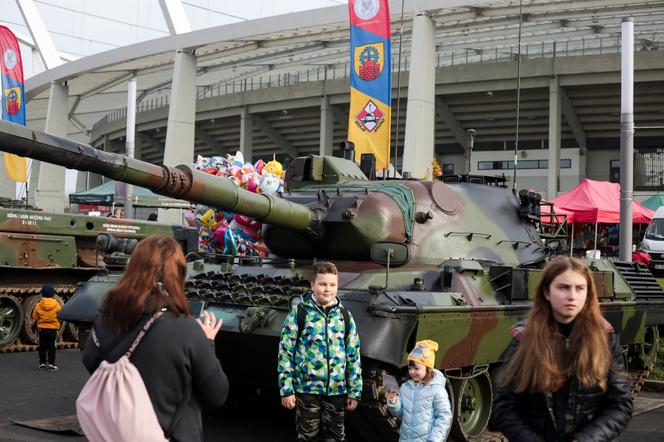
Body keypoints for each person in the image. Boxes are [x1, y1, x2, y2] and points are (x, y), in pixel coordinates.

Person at [82, 235, 228, 442]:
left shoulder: (105, 321)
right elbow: (216, 394)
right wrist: (207, 342)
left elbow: (90, 361)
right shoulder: (186, 330)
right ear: (177, 275)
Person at [492, 257, 633, 442]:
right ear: (547, 292)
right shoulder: (525, 338)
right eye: (563, 287)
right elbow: (504, 406)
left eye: (579, 288)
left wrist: (585, 440)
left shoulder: (603, 339)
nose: (572, 296)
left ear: (588, 293)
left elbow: (620, 405)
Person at [277, 261, 362, 441]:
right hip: (307, 388)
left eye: (332, 285)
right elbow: (285, 351)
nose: (327, 289)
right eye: (323, 284)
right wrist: (286, 389)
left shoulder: (345, 316)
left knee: (335, 436)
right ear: (312, 285)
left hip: (337, 390)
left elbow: (353, 355)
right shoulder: (300, 313)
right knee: (307, 436)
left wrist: (355, 391)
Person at [386, 340, 452, 441]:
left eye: (416, 368)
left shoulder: (437, 390)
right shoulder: (405, 387)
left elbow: (444, 416)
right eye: (410, 368)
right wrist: (394, 402)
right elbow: (399, 413)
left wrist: (435, 439)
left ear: (428, 368)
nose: (412, 372)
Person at [32, 283, 62, 371]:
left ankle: (42, 363)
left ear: (42, 293)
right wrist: (57, 323)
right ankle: (52, 363)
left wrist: (40, 321)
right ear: (53, 293)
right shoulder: (57, 304)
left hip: (42, 329)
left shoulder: (38, 304)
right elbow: (60, 316)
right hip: (53, 329)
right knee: (52, 346)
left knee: (42, 346)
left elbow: (35, 317)